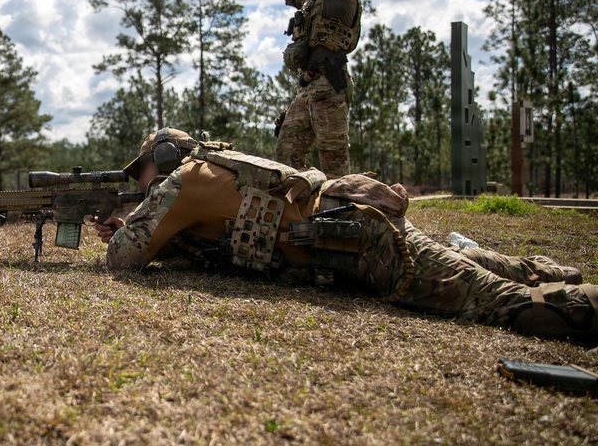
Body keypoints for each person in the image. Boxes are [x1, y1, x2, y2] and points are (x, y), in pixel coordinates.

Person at [97, 128, 598, 343]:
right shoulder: (211, 172)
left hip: (365, 240)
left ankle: (580, 302)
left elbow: (123, 262)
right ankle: (550, 270)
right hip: (358, 226)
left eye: (137, 172)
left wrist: (123, 234)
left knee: (505, 304)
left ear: (161, 159)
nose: (136, 183)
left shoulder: (179, 181)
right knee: (476, 270)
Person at [275, 0, 361, 178]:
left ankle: (338, 211)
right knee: (286, 155)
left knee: (334, 162)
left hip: (329, 86)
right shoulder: (313, 0)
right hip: (307, 87)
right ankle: (298, 207)